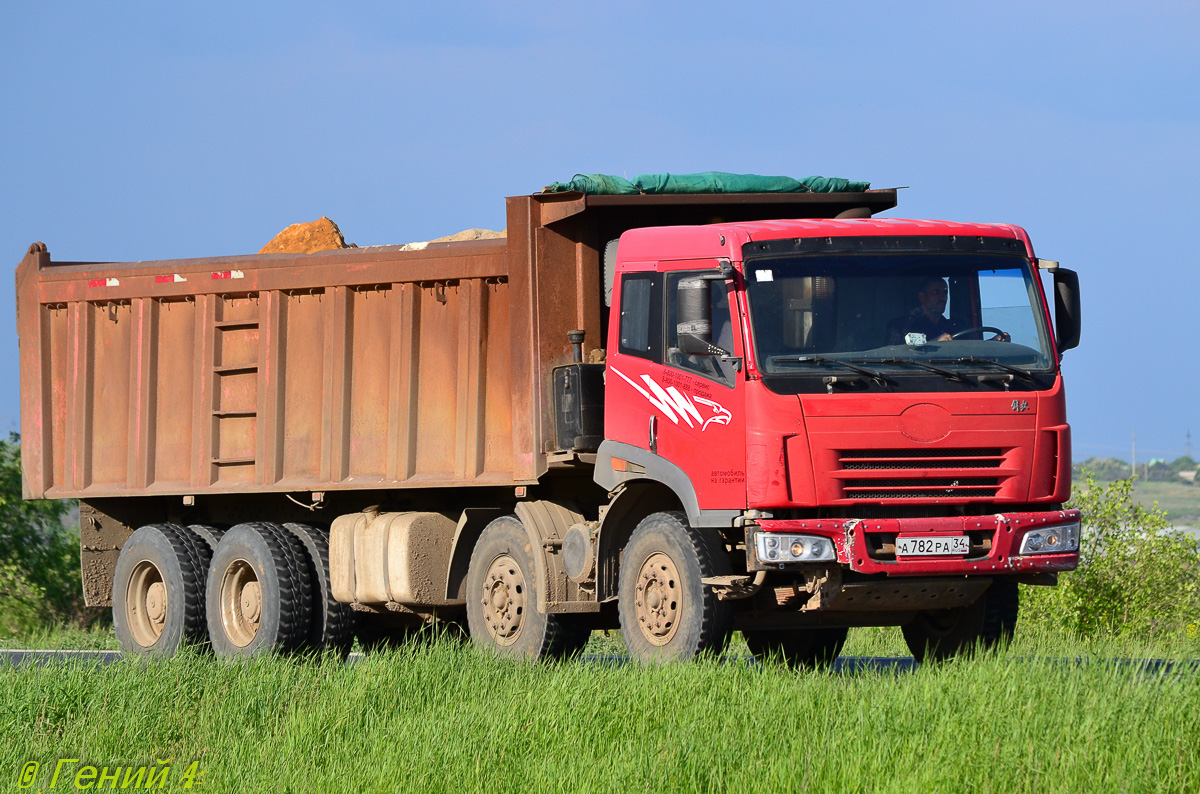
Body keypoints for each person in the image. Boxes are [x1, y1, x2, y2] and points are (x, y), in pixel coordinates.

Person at [887, 276, 960, 343]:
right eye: (936, 292)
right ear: (922, 297)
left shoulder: (951, 327)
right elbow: (894, 354)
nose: (942, 297)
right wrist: (935, 344)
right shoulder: (901, 326)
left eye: (945, 292)